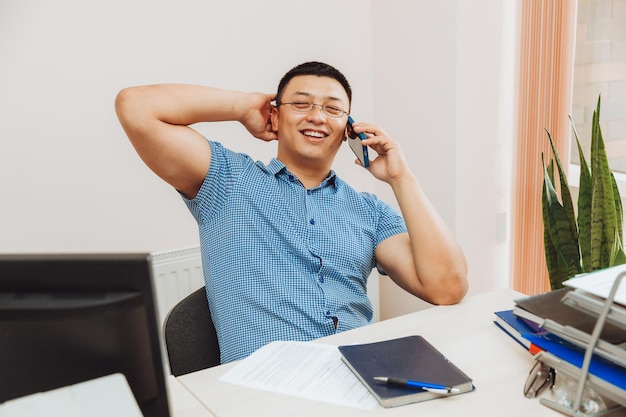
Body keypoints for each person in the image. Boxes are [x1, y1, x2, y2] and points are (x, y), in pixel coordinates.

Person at [115, 61, 468, 363]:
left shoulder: (369, 211)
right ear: (276, 114)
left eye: (332, 108)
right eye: (301, 104)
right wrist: (242, 106)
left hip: (358, 377)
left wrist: (401, 178)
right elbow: (135, 106)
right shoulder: (225, 180)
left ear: (348, 130)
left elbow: (447, 288)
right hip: (265, 390)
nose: (317, 116)